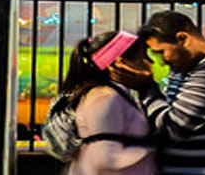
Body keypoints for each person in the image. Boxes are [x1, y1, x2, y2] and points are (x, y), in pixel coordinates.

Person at [112, 10, 205, 175]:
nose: (162, 61)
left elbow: (174, 129)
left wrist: (146, 87)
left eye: (161, 52)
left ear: (183, 39)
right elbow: (161, 119)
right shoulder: (184, 70)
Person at [55, 30, 156, 175]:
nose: (150, 62)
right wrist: (152, 149)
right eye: (143, 57)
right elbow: (105, 157)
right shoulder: (106, 98)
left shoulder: (118, 95)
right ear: (121, 63)